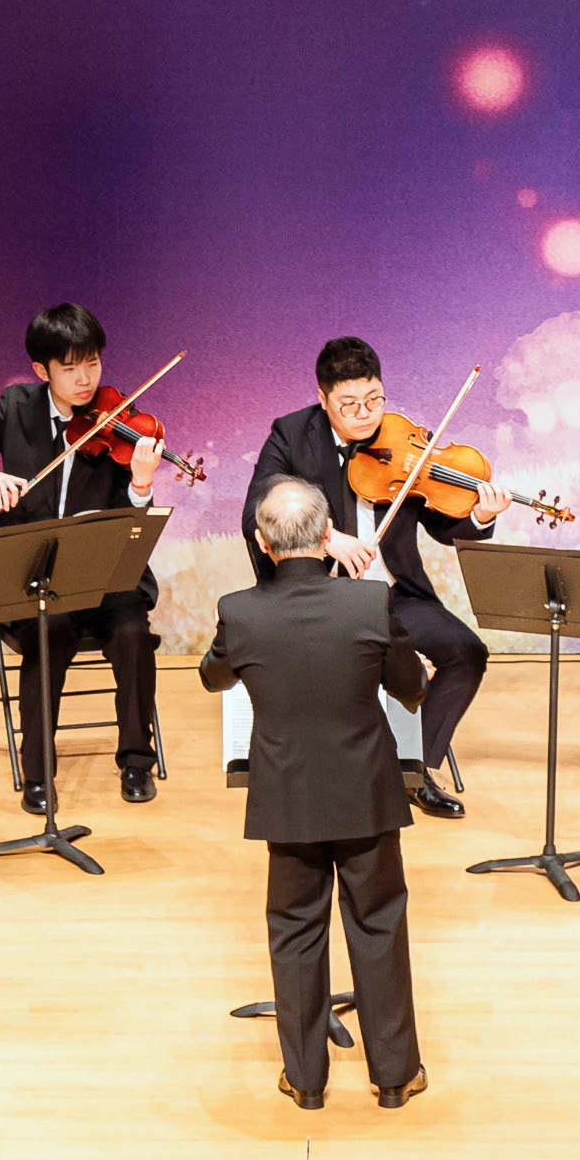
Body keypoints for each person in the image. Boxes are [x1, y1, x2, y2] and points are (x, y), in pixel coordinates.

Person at [202, 475, 430, 1111]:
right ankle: (395, 1077)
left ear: (262, 542)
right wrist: (413, 669)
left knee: (296, 930)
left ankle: (305, 1081)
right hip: (366, 791)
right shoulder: (370, 602)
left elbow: (213, 676)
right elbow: (410, 687)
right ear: (329, 535)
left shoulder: (239, 610)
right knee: (378, 923)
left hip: (286, 795)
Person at [240, 336, 508, 817]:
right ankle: (338, 770)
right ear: (323, 399)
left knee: (467, 653)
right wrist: (325, 537)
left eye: (374, 399)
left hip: (394, 596)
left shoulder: (402, 439)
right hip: (321, 598)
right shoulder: (291, 434)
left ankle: (410, 767)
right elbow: (257, 510)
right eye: (349, 404)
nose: (365, 415)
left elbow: (443, 524)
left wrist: (481, 516)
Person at [0, 302, 167, 809]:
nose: (85, 380)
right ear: (42, 371)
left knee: (132, 631)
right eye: (70, 367)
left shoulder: (117, 421)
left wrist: (142, 485)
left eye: (93, 363)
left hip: (100, 575)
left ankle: (136, 761)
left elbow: (130, 522)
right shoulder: (15, 407)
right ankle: (38, 774)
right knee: (49, 629)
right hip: (32, 576)